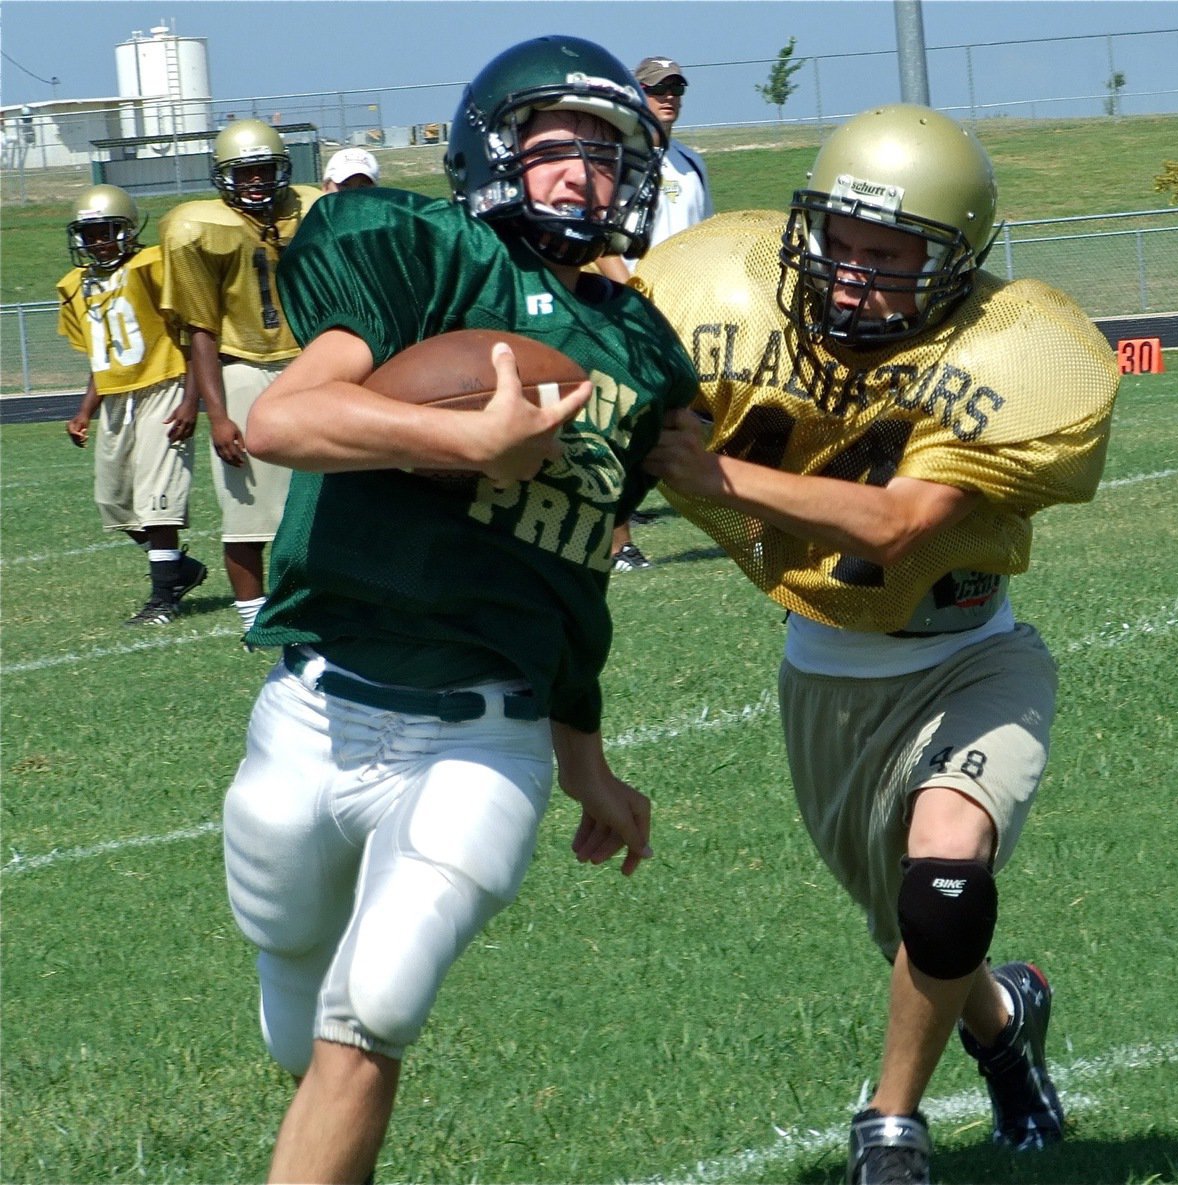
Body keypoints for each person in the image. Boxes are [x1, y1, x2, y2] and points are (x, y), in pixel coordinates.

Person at [221, 35, 697, 1184]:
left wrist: (584, 758)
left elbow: (571, 571)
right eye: (555, 149)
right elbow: (284, 422)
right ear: (494, 153)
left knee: (371, 1013)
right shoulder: (420, 250)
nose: (584, 172)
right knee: (302, 1013)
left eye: (606, 151)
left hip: (484, 734)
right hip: (316, 706)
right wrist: (466, 440)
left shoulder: (644, 350)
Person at [635, 104, 1119, 1185]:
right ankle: (1006, 1023)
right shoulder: (730, 291)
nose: (853, 274)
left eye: (889, 254)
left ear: (953, 263)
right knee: (922, 937)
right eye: (840, 244)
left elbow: (900, 526)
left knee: (944, 886)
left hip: (970, 658)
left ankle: (890, 1131)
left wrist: (711, 477)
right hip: (826, 674)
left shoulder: (1011, 347)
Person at [158, 119, 321, 634]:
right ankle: (254, 618)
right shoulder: (196, 228)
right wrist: (218, 414)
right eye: (244, 172)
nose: (255, 182)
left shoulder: (312, 209)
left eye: (264, 170)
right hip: (242, 366)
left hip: (308, 361)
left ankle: (327, 601)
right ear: (223, 176)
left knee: (325, 496)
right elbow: (201, 329)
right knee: (246, 507)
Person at [57, 184, 208, 626]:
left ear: (126, 229)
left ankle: (164, 597)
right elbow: (100, 355)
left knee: (156, 499)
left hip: (163, 387)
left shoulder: (152, 265)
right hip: (116, 399)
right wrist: (85, 409)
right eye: (89, 234)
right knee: (115, 501)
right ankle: (181, 569)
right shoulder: (76, 286)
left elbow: (193, 332)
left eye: (105, 231)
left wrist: (190, 400)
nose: (97, 241)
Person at [600, 55, 713, 573]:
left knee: (692, 418)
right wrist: (633, 297)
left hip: (689, 315)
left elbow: (707, 240)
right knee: (621, 422)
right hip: (630, 311)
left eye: (676, 87)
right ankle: (617, 542)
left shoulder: (692, 164)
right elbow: (602, 242)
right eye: (657, 88)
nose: (668, 96)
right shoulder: (619, 161)